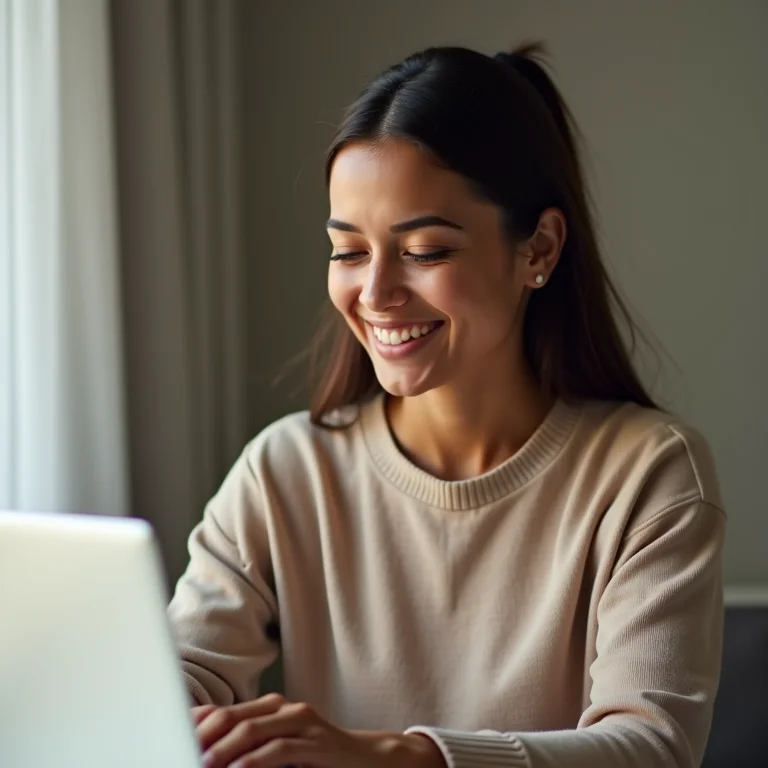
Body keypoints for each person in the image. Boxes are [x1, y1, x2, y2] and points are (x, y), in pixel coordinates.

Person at [168, 42, 725, 768]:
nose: (374, 294)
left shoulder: (650, 473)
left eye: (425, 250)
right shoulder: (284, 470)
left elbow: (650, 748)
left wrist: (400, 756)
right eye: (348, 251)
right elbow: (183, 673)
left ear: (539, 250)